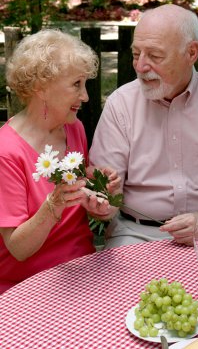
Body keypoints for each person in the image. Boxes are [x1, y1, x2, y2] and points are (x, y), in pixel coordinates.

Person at [89, 4, 198, 249]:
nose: (140, 66)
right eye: (136, 54)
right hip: (134, 235)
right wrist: (102, 205)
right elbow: (105, 192)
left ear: (191, 53)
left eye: (154, 56)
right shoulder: (120, 104)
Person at [0, 29, 120, 294]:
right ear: (41, 87)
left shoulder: (73, 128)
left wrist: (99, 195)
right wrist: (54, 203)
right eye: (76, 84)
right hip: (27, 286)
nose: (86, 96)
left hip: (82, 269)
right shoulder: (5, 152)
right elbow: (18, 249)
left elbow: (78, 208)